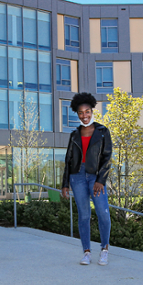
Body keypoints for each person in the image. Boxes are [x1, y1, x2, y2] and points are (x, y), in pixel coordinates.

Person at [61, 92, 113, 266]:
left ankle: (104, 249)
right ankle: (87, 252)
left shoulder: (103, 132)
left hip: (96, 177)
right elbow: (68, 160)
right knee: (83, 215)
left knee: (103, 213)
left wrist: (100, 180)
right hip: (77, 177)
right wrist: (65, 184)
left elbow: (107, 158)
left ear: (92, 111)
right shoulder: (74, 135)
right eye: (81, 112)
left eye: (87, 111)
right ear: (77, 113)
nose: (85, 116)